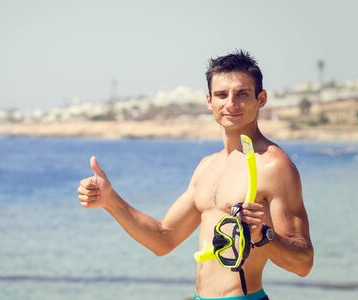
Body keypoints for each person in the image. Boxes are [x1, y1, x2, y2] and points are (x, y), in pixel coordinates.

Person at [77, 50, 313, 299]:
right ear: (209, 100)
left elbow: (303, 263)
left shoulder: (273, 165)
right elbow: (163, 238)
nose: (231, 104)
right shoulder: (207, 166)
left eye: (242, 94)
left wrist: (263, 235)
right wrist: (109, 200)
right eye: (222, 94)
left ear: (261, 98)